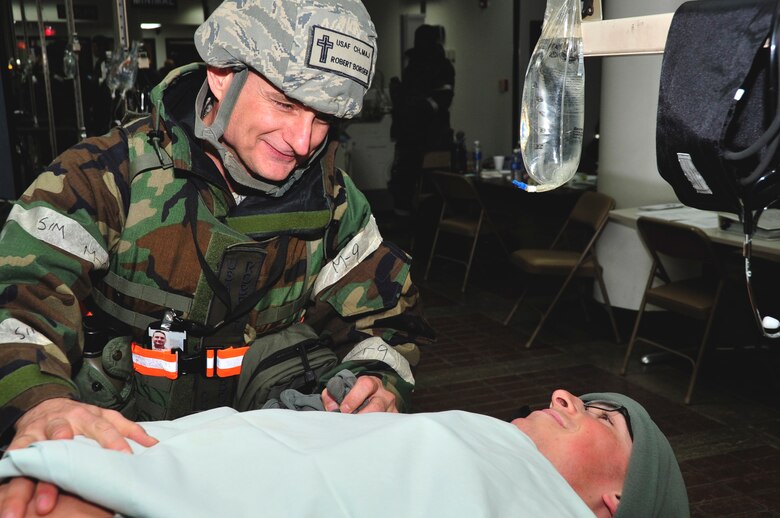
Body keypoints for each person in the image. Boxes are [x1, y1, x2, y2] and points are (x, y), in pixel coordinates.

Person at [0, 0, 434, 516]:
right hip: (123, 454)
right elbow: (19, 303)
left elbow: (387, 322)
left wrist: (378, 383)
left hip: (263, 470)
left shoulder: (335, 202)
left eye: (325, 119)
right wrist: (43, 403)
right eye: (286, 104)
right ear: (223, 76)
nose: (303, 141)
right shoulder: (104, 177)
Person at [0, 389, 689, 517]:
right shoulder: (478, 441)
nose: (566, 395)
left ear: (618, 502)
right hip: (108, 453)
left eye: (602, 416)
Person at [389, 24, 455, 217]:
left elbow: (442, 99)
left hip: (430, 134)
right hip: (413, 134)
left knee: (426, 181)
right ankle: (410, 216)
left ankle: (425, 217)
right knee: (406, 177)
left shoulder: (439, 66)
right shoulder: (416, 65)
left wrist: (419, 105)